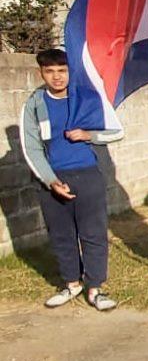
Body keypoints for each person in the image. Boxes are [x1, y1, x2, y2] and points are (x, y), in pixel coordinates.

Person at [20, 48, 123, 311]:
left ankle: (95, 288)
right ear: (41, 73)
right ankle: (71, 283)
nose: (57, 77)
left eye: (62, 71)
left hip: (88, 174)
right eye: (50, 71)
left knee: (93, 234)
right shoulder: (34, 103)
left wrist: (89, 135)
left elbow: (116, 131)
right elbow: (30, 147)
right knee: (61, 235)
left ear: (70, 71)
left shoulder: (86, 98)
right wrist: (50, 180)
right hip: (53, 179)